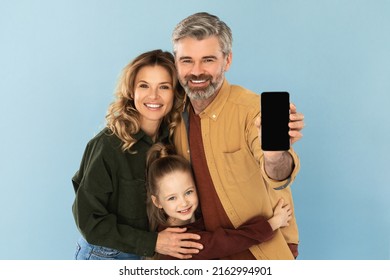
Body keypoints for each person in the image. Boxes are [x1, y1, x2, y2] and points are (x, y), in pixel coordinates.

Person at [172, 12, 305, 259]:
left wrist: (274, 155)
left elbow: (280, 176)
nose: (197, 71)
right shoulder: (173, 115)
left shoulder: (252, 110)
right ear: (176, 62)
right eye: (187, 60)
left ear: (227, 60)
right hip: (211, 250)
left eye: (208, 60)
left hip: (263, 251)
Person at [71, 49, 203, 260]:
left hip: (148, 256)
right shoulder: (107, 145)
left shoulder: (172, 140)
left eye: (164, 87)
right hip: (105, 255)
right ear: (132, 91)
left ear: (175, 92)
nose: (154, 96)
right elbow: (89, 221)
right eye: (144, 86)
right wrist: (154, 242)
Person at [146, 143, 293, 260]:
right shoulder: (179, 242)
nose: (183, 202)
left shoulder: (190, 222)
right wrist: (274, 223)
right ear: (157, 202)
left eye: (188, 192)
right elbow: (225, 243)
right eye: (172, 198)